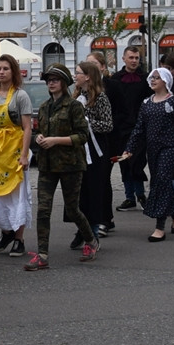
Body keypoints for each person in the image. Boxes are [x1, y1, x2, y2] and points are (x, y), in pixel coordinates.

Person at [23, 63, 98, 271]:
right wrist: (40, 137)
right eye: (48, 80)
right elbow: (42, 131)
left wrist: (56, 140)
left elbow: (82, 136)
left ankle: (91, 240)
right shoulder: (45, 107)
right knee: (43, 210)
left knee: (73, 209)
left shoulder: (74, 106)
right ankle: (42, 255)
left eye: (55, 79)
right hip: (47, 165)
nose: (51, 83)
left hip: (70, 164)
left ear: (64, 83)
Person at [121, 68, 174, 241]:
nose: (153, 80)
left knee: (162, 179)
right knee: (161, 181)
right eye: (152, 77)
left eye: (157, 77)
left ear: (165, 80)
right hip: (153, 149)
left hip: (170, 148)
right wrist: (129, 148)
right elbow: (139, 128)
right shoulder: (147, 103)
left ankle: (159, 226)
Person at [0, 54, 32, 258]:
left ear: (14, 72)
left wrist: (25, 155)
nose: (1, 72)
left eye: (5, 69)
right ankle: (6, 232)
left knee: (16, 196)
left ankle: (19, 238)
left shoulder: (20, 96)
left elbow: (27, 128)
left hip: (14, 150)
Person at [72, 60, 114, 245]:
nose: (76, 76)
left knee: (95, 189)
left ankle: (94, 231)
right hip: (80, 148)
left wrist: (88, 123)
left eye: (78, 73)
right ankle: (82, 229)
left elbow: (108, 124)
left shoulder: (100, 97)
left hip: (96, 150)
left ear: (87, 76)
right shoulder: (76, 96)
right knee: (80, 191)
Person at [112, 46, 152, 211]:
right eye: (131, 57)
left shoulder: (146, 79)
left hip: (140, 127)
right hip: (121, 127)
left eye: (137, 58)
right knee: (124, 162)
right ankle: (129, 197)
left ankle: (141, 194)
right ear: (124, 59)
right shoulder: (116, 79)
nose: (134, 60)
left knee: (137, 162)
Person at [86, 51, 121, 233]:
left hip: (106, 141)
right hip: (87, 144)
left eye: (93, 64)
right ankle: (91, 218)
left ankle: (105, 218)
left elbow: (119, 116)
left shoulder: (111, 87)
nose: (89, 68)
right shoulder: (82, 90)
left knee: (103, 180)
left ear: (102, 67)